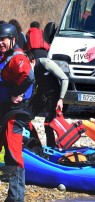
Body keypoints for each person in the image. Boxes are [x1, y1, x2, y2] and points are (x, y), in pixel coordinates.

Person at [0, 23, 35, 202]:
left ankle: (15, 197)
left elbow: (29, 78)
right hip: (4, 111)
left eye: (3, 39)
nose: (0, 42)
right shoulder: (4, 57)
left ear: (12, 40)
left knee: (13, 155)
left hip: (15, 114)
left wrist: (16, 93)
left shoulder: (16, 58)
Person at [26, 51, 69, 147]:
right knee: (25, 117)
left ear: (32, 61)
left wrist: (61, 99)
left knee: (48, 124)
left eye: (28, 65)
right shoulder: (28, 70)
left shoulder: (45, 63)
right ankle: (33, 144)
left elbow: (64, 79)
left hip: (54, 95)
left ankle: (51, 147)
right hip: (41, 94)